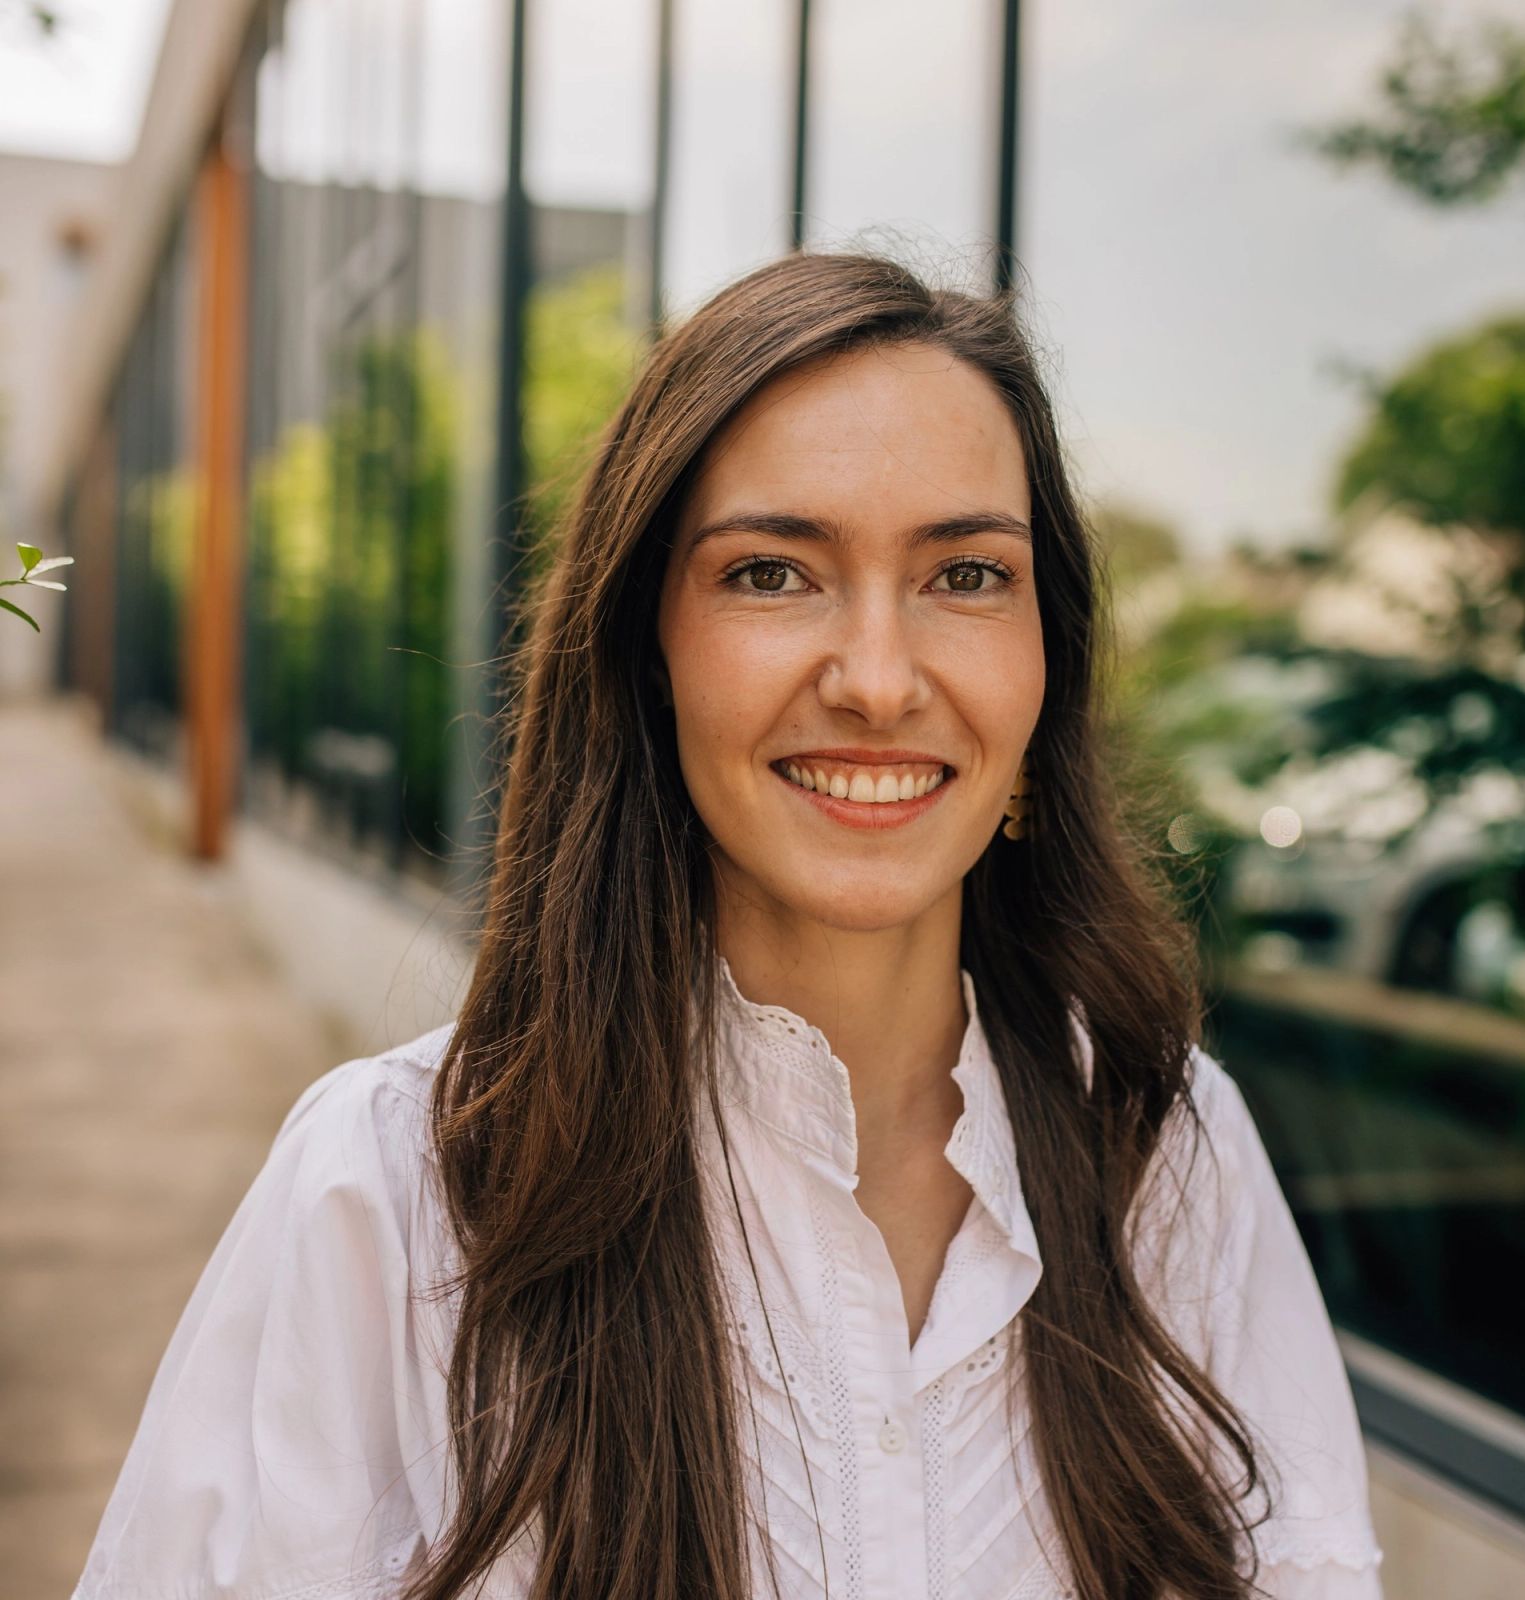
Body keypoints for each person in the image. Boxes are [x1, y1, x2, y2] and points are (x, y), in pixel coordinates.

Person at [72, 250, 1385, 1600]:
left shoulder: (1170, 1153)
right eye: (771, 573)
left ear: (1047, 654)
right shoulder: (398, 1195)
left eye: (966, 575)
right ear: (650, 649)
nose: (879, 680)